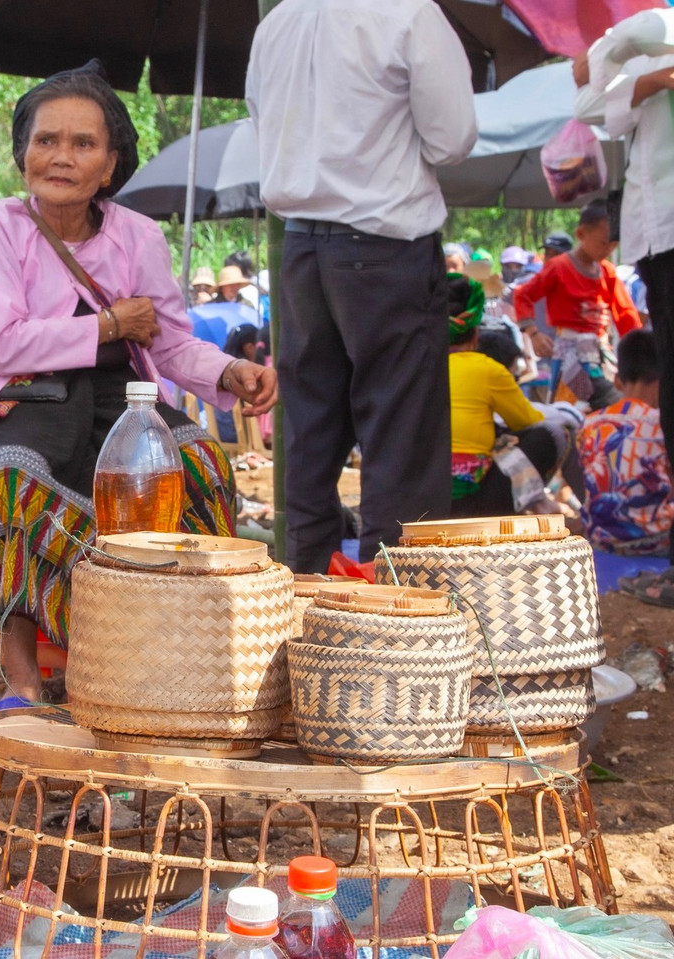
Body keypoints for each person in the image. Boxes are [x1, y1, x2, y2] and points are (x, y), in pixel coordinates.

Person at [0, 60, 276, 706]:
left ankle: (178, 645)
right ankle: (23, 679)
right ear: (22, 153)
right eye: (45, 140)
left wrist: (229, 372)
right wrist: (111, 321)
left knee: (203, 466)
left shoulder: (138, 235)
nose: (60, 156)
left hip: (123, 398)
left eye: (82, 144)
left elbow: (168, 340)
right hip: (25, 395)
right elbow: (5, 342)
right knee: (14, 476)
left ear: (111, 165)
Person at [246, 0, 476, 570]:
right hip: (384, 244)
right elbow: (453, 139)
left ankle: (302, 600)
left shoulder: (277, 22)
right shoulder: (407, 12)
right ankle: (396, 617)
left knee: (309, 432)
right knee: (402, 439)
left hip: (302, 248)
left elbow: (263, 125)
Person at [577, 8, 674, 605]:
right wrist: (659, 80)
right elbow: (588, 103)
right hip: (659, 241)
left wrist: (615, 56)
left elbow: (630, 38)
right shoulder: (662, 44)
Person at [446, 275, 563, 517]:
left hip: (419, 493)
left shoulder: (415, 369)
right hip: (471, 498)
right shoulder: (487, 368)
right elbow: (528, 421)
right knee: (547, 435)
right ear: (476, 333)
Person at [513, 200, 642, 410]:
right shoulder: (558, 267)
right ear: (581, 234)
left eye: (613, 245)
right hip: (570, 353)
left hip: (601, 351)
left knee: (605, 407)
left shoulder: (607, 271)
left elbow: (626, 314)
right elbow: (523, 295)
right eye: (603, 243)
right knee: (576, 409)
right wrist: (533, 333)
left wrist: (636, 351)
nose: (608, 249)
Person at [578, 329, 674, 557]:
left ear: (617, 379)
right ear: (666, 376)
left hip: (599, 537)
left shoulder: (589, 424)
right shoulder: (662, 423)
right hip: (657, 537)